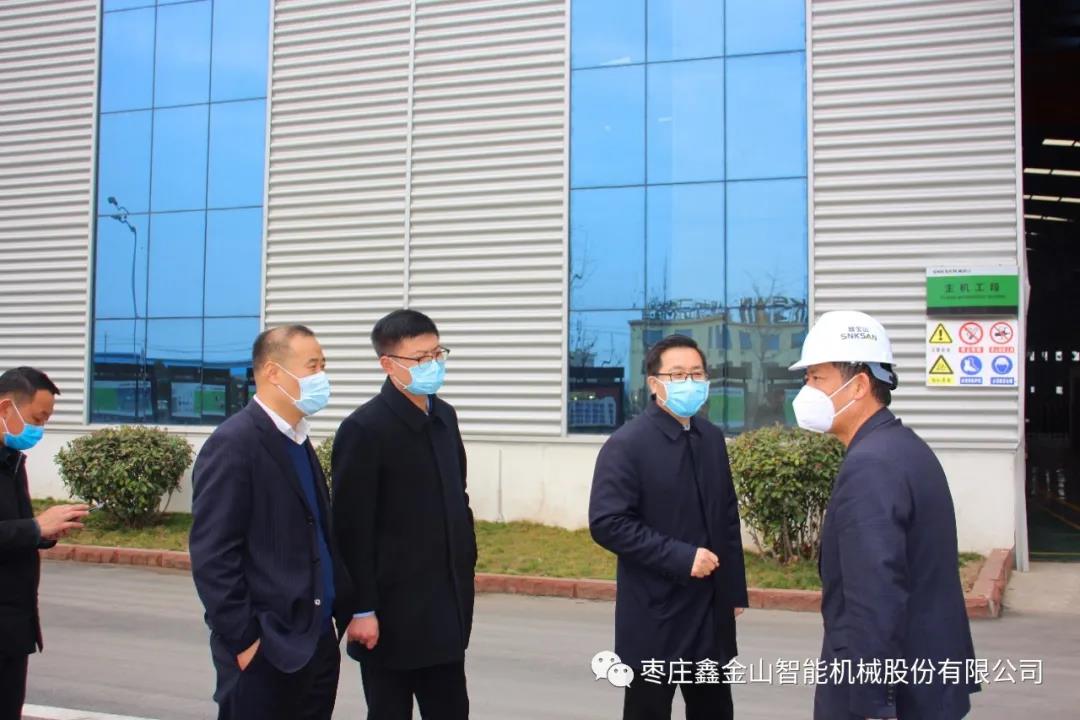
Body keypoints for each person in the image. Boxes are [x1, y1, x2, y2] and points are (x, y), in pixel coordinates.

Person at [788, 311, 979, 720]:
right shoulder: (902, 447)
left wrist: (873, 705)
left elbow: (875, 596)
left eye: (817, 378)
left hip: (894, 695)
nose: (806, 391)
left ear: (859, 386)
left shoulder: (871, 465)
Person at [190, 325, 346, 720]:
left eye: (324, 365)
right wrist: (245, 641)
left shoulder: (298, 440)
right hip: (267, 650)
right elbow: (213, 554)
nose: (322, 376)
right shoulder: (234, 443)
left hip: (315, 643)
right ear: (274, 372)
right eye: (312, 366)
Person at [589, 335, 749, 720]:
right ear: (654, 383)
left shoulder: (711, 439)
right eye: (677, 375)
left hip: (709, 613)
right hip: (654, 613)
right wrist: (681, 557)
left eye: (697, 374)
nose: (689, 382)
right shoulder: (627, 444)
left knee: (714, 710)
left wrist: (733, 590)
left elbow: (727, 518)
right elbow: (608, 522)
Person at [333, 309, 475, 720]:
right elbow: (351, 529)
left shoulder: (444, 417)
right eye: (420, 358)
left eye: (438, 353)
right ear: (388, 363)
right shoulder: (364, 429)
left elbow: (459, 497)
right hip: (389, 618)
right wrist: (361, 609)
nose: (433, 364)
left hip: (446, 609)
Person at [0, 367, 87, 720]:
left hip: (13, 630)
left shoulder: (11, 460)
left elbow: (17, 527)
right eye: (37, 419)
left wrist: (46, 532)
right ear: (6, 408)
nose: (39, 430)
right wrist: (35, 527)